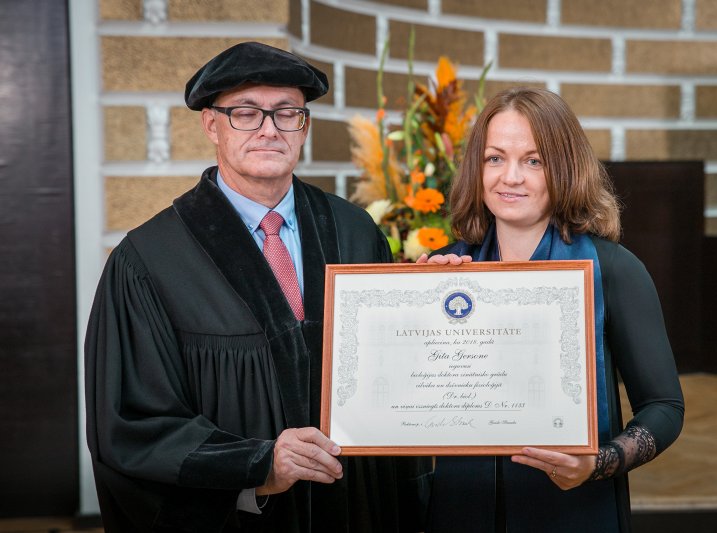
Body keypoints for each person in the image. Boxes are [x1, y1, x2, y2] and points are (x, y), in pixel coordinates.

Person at [84, 42, 431, 533]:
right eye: (246, 113)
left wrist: (444, 295)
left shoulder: (354, 231)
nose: (270, 129)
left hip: (358, 507)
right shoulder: (149, 261)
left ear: (303, 126)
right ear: (211, 124)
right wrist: (258, 466)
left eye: (287, 113)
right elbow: (132, 424)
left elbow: (404, 365)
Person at [419, 87, 684, 532]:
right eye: (495, 158)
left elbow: (664, 407)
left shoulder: (613, 269)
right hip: (459, 507)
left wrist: (602, 461)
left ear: (563, 166)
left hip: (574, 512)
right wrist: (421, 305)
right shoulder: (444, 272)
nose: (511, 177)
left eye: (534, 160)